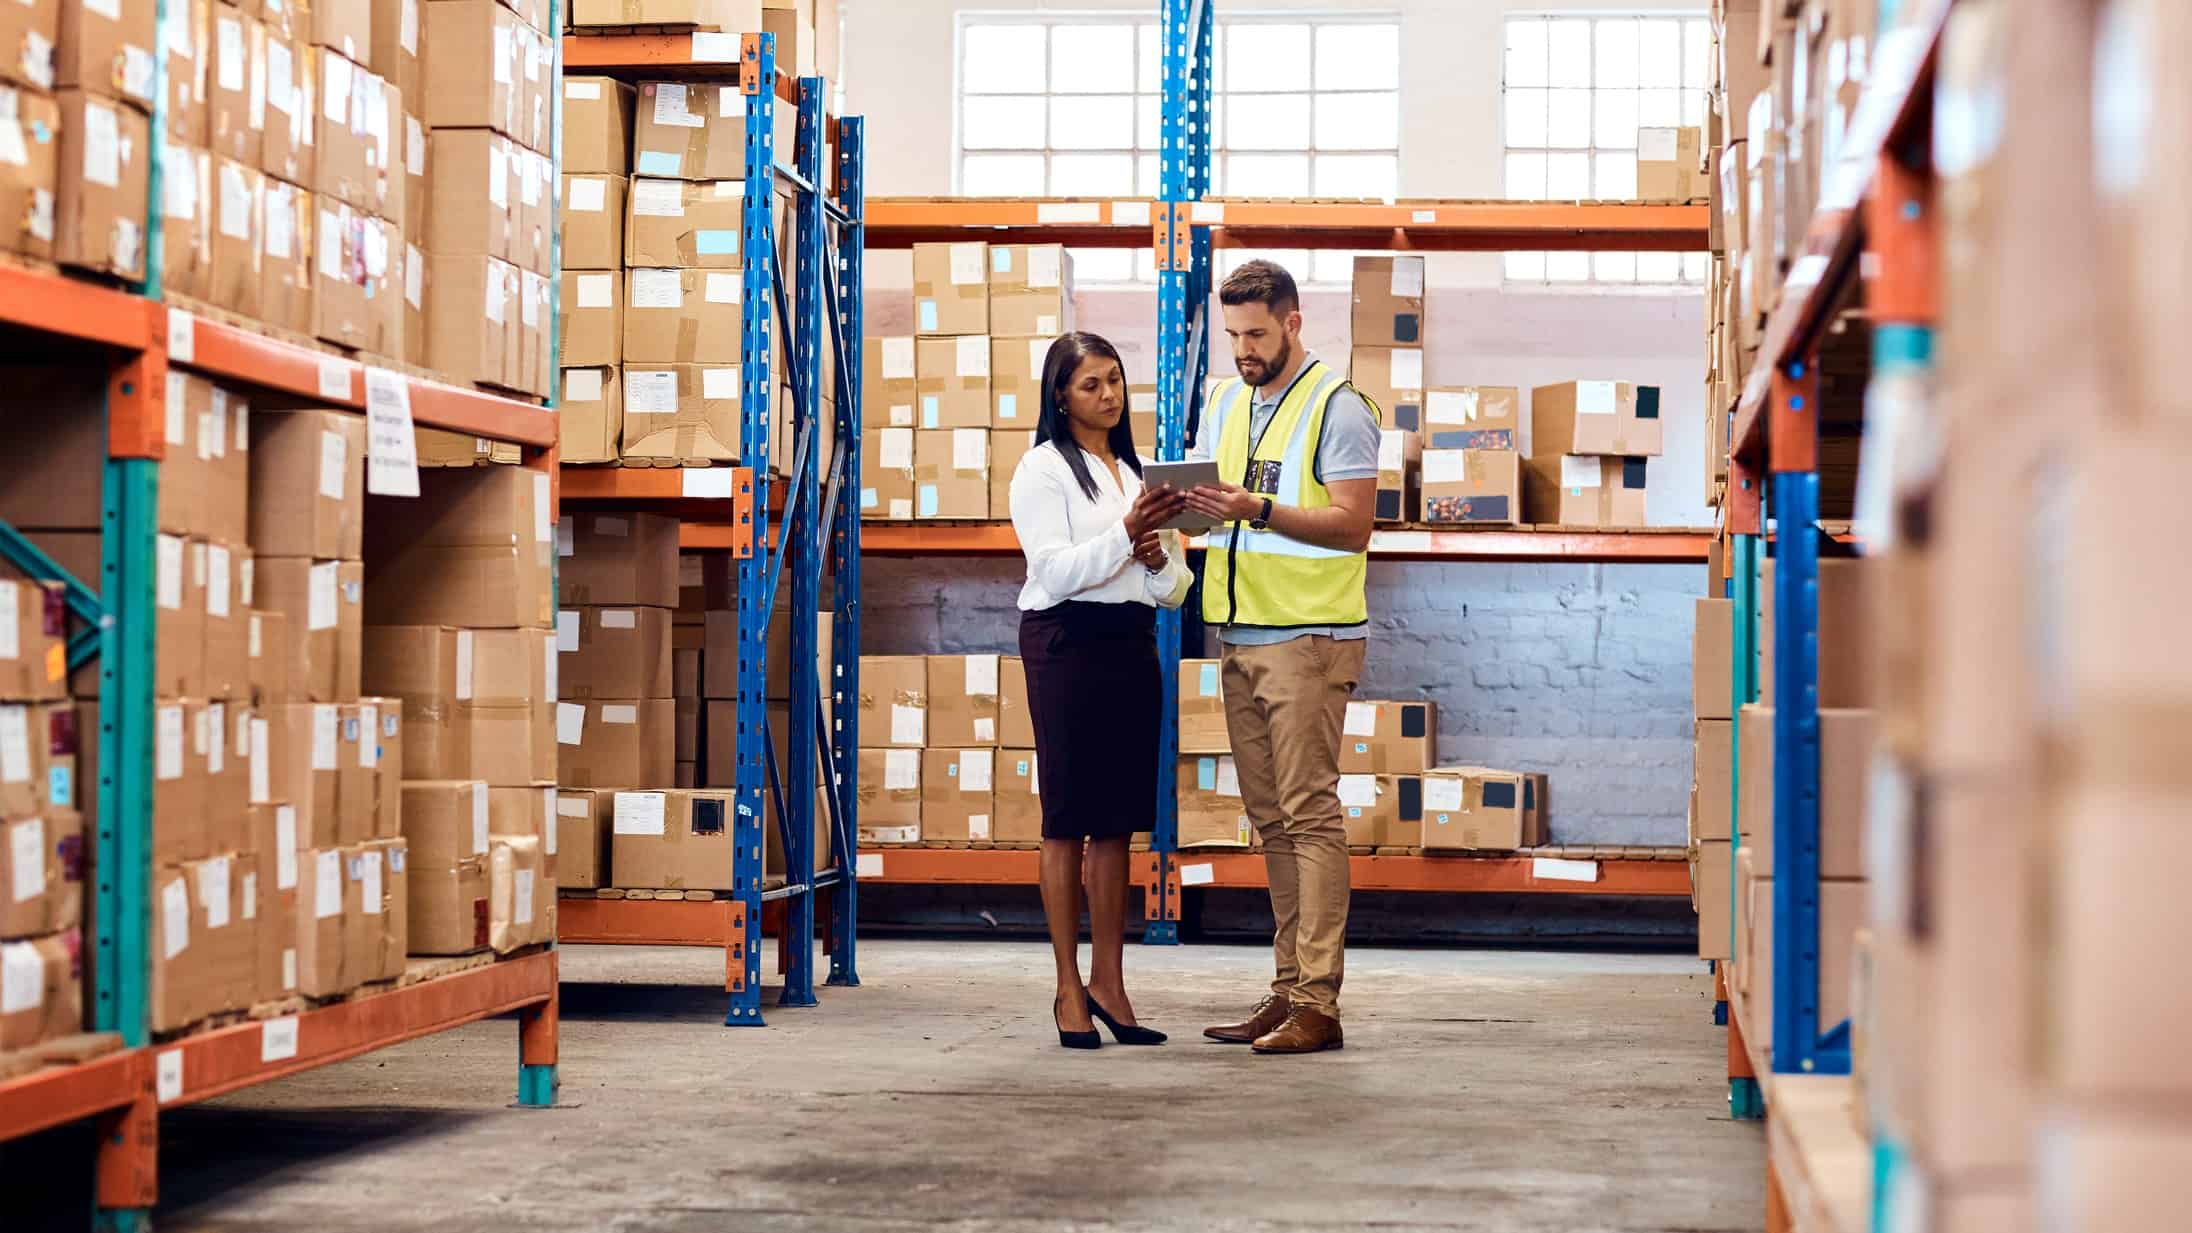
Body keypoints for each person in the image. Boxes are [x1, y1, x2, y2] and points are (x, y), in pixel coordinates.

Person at [1181, 259, 1382, 1056]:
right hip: (1239, 634)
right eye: (1232, 335)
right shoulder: (1227, 400)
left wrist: (1255, 507)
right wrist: (1179, 510)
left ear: (1293, 322)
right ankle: (1288, 986)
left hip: (1308, 638)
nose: (1243, 349)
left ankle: (1319, 1003)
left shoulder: (1339, 407)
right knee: (1271, 823)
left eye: (1256, 333)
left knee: (1310, 817)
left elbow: (1352, 524)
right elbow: (1210, 517)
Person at [1009, 331, 1194, 1050]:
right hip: (1064, 643)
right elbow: (1053, 571)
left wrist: (1153, 559)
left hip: (1129, 641)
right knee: (1067, 817)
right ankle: (1066, 986)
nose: (1108, 394)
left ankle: (1110, 983)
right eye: (1090, 384)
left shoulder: (1137, 472)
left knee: (1118, 819)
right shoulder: (1042, 469)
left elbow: (1173, 588)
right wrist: (1126, 535)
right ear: (1061, 395)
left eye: (1115, 380)